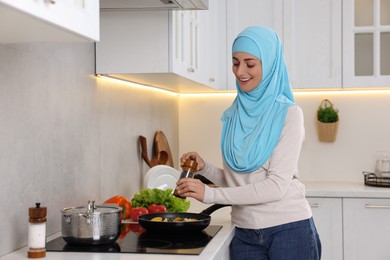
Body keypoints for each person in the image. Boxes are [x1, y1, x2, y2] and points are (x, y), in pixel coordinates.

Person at [175, 26, 322, 260]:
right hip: (244, 233)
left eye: (250, 64)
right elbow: (240, 182)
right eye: (235, 62)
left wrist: (210, 195)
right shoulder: (233, 115)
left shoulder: (289, 114)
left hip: (289, 229)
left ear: (270, 63)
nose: (240, 71)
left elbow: (275, 186)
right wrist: (205, 168)